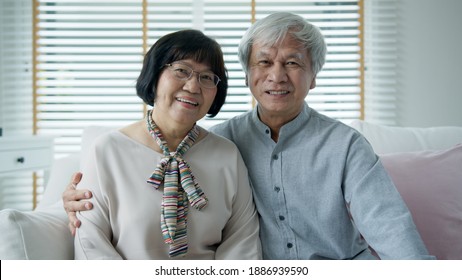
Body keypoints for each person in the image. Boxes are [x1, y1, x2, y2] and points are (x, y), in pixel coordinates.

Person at [64, 13, 433, 260]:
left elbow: (390, 225)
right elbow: (105, 212)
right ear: (247, 75)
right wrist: (70, 203)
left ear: (314, 77)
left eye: (293, 62)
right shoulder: (219, 144)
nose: (277, 75)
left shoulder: (344, 145)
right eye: (264, 61)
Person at [70, 29, 261, 259]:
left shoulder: (227, 154)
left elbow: (242, 241)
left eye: (207, 77)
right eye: (181, 70)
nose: (193, 87)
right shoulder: (107, 151)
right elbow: (90, 242)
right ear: (155, 74)